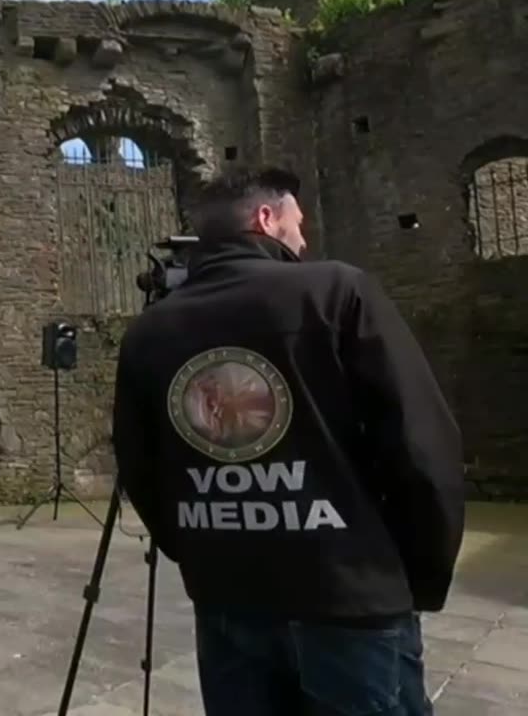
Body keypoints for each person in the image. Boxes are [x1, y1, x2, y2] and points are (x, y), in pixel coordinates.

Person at [111, 166, 465, 716]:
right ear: (266, 218)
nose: (304, 239)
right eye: (297, 223)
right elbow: (423, 446)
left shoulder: (151, 330)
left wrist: (203, 550)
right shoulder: (336, 291)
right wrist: (412, 578)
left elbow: (140, 467)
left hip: (228, 599)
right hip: (349, 600)